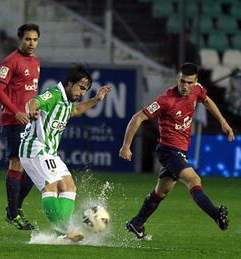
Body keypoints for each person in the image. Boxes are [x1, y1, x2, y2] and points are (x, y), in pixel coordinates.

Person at [119, 63, 234, 240]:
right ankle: (216, 214)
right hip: (168, 150)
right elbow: (138, 117)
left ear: (195, 82)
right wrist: (126, 145)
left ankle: (137, 222)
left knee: (161, 192)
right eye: (182, 81)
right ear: (177, 79)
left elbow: (207, 100)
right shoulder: (166, 99)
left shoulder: (197, 90)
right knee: (194, 180)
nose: (185, 86)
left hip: (181, 150)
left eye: (189, 82)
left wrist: (223, 121)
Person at [19, 65, 112, 242]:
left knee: (69, 187)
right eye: (81, 88)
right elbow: (34, 101)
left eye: (86, 90)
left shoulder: (67, 102)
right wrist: (31, 110)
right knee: (51, 185)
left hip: (50, 152)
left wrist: (96, 100)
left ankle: (60, 232)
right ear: (69, 83)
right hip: (35, 147)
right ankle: (63, 230)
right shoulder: (54, 94)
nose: (82, 93)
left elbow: (75, 110)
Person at [0, 23, 40, 230]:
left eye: (35, 39)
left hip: (30, 121)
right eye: (28, 39)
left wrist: (35, 110)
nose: (31, 43)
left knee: (33, 169)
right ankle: (13, 212)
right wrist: (16, 111)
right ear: (19, 40)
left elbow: (30, 93)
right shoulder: (10, 62)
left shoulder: (36, 62)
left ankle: (14, 210)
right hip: (13, 121)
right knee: (17, 165)